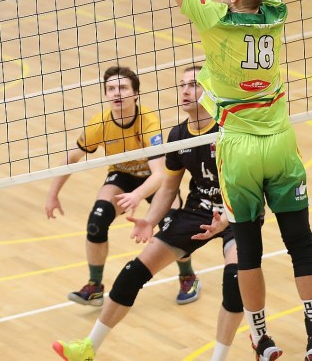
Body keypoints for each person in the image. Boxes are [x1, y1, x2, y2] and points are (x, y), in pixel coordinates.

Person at [108, 0, 312, 360]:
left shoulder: (214, 20)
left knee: (248, 249)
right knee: (301, 242)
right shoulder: (274, 9)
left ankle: (262, 338)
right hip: (280, 142)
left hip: (240, 149)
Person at [52, 66, 243, 361]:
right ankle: (88, 348)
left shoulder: (229, 129)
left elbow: (250, 185)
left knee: (235, 281)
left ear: (211, 92)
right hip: (198, 211)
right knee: (132, 272)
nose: (186, 90)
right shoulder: (178, 135)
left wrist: (227, 219)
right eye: (182, 85)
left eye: (194, 84)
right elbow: (168, 188)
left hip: (236, 212)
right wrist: (149, 220)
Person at [45, 65, 176, 307]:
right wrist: (53, 194)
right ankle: (94, 287)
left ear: (135, 94)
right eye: (111, 89)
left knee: (174, 224)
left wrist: (137, 195)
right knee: (97, 221)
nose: (117, 93)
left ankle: (188, 276)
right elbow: (71, 158)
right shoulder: (100, 124)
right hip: (122, 175)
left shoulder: (148, 122)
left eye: (123, 88)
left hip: (153, 177)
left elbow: (160, 175)